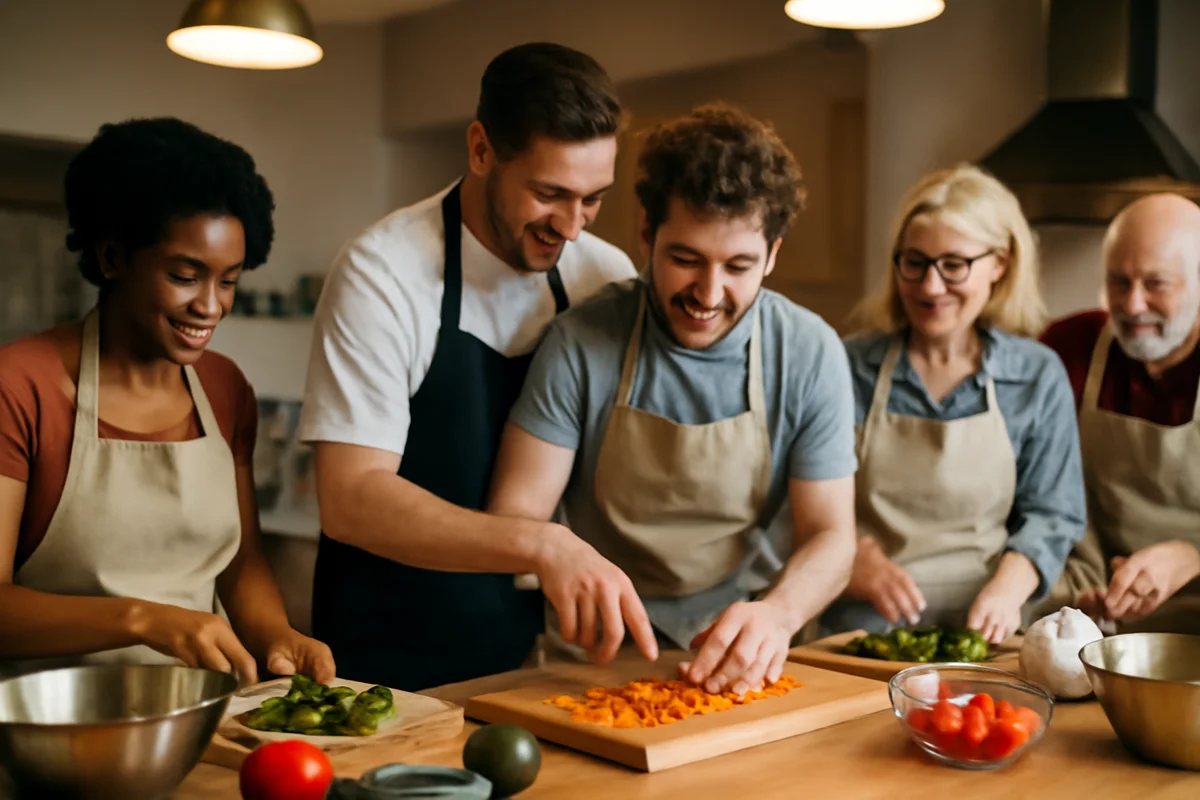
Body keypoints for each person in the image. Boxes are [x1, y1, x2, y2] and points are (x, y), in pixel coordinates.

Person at [486, 103, 858, 695]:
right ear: (645, 235)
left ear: (774, 254)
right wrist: (555, 555)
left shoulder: (810, 351)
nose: (708, 294)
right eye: (685, 259)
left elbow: (832, 536)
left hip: (737, 648)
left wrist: (780, 614)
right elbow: (515, 514)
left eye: (738, 266)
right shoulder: (583, 341)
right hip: (590, 654)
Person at [300, 43, 637, 691]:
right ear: (481, 149)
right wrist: (541, 544)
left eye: (593, 199)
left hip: (532, 653)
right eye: (550, 194)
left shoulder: (604, 275)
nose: (571, 227)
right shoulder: (383, 272)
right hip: (381, 657)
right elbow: (350, 499)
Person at [0, 117, 333, 682]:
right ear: (112, 258)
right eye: (185, 275)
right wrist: (144, 620)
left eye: (228, 281)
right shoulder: (21, 387)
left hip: (196, 719)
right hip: (45, 733)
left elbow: (240, 561)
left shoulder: (226, 390)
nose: (210, 306)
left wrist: (277, 635)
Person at [821, 164, 1086, 645]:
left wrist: (1007, 590)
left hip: (989, 630)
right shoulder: (847, 365)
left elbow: (1053, 514)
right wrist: (850, 556)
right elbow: (795, 499)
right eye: (915, 262)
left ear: (1000, 264)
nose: (930, 287)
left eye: (954, 265)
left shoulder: (1036, 375)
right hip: (862, 633)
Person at [1041, 193, 1200, 634]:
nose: (1132, 305)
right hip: (1097, 621)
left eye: (1157, 284)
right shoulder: (1069, 346)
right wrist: (1078, 590)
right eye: (1118, 282)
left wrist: (1190, 557)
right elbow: (1036, 490)